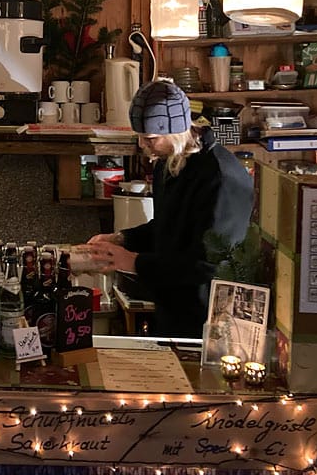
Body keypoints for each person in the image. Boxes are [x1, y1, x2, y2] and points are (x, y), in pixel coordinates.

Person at [88, 80, 253, 338]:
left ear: (176, 130)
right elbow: (167, 226)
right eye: (140, 137)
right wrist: (122, 238)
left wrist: (133, 262)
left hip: (210, 319)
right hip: (173, 305)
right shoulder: (171, 162)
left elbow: (210, 263)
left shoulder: (220, 178)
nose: (143, 145)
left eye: (151, 138)